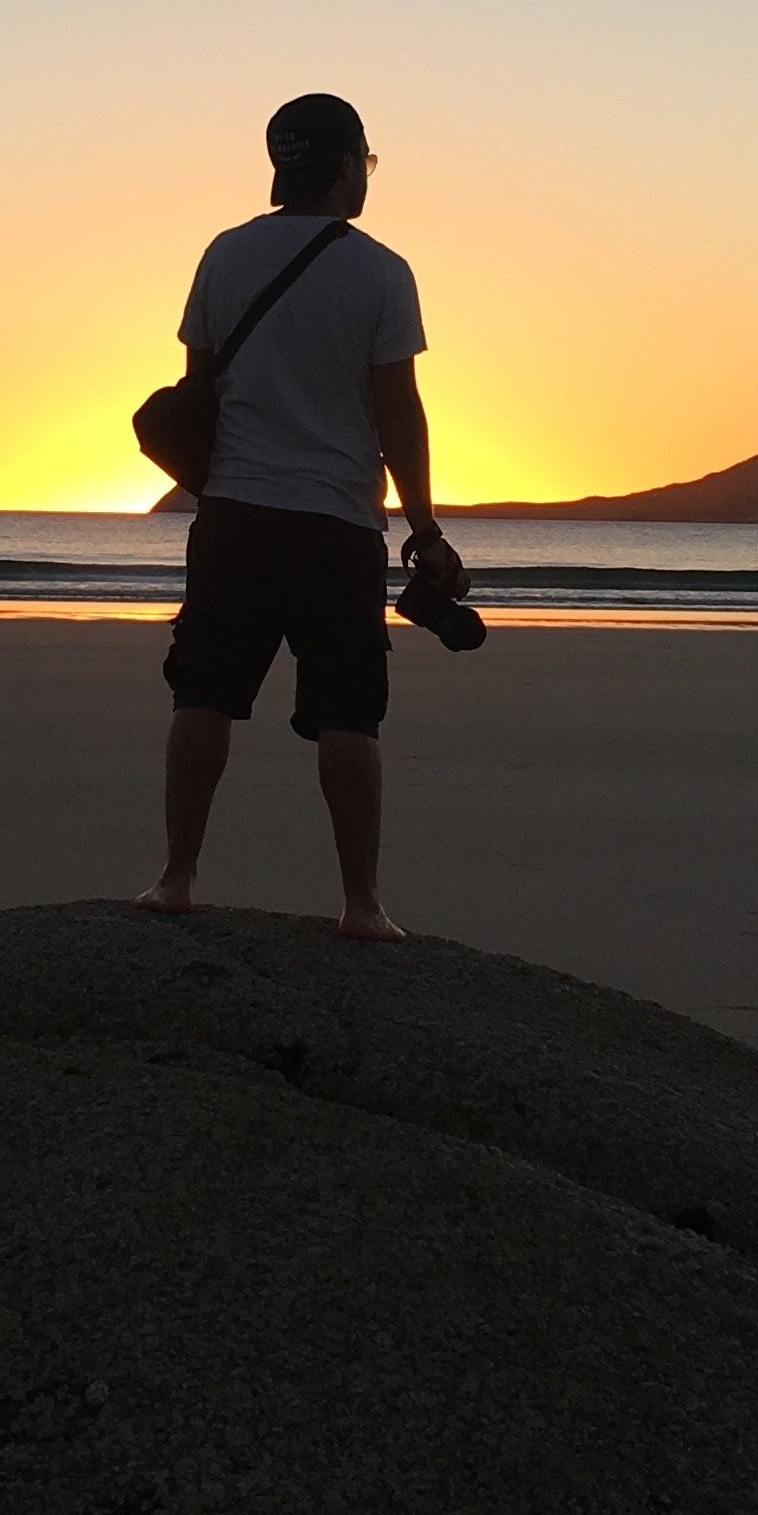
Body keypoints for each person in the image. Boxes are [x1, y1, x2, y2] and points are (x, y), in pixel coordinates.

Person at [138, 92, 458, 942]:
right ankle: (361, 905)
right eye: (368, 164)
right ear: (350, 164)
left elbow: (199, 385)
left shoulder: (225, 254)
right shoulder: (382, 271)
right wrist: (424, 530)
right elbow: (400, 413)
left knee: (202, 693)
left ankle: (176, 880)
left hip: (235, 513)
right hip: (336, 527)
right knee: (350, 714)